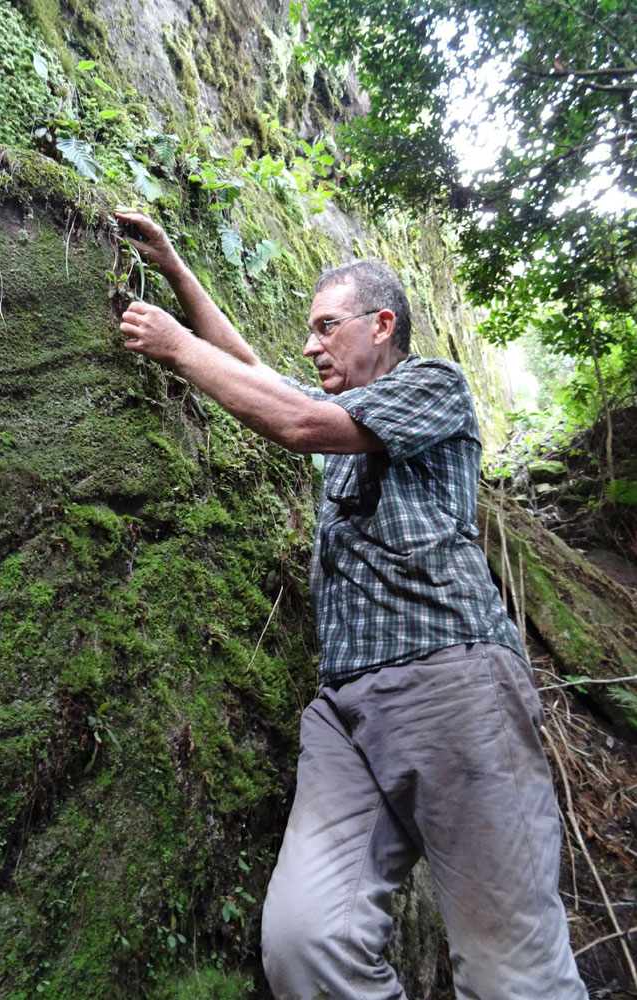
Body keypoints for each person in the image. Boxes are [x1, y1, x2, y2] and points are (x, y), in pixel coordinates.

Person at [114, 208, 588, 1000]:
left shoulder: (430, 385)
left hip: (455, 685)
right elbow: (259, 379)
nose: (309, 345)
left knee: (515, 973)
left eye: (325, 327)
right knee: (308, 945)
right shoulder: (344, 418)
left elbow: (298, 423)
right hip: (344, 711)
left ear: (382, 323)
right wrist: (173, 268)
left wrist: (172, 346)